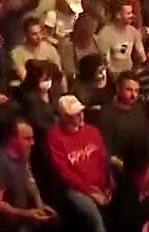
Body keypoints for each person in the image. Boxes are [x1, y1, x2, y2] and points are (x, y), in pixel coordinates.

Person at [0, 118, 58, 232]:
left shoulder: (23, 153)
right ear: (12, 139)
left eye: (32, 138)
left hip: (19, 217)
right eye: (27, 139)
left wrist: (40, 204)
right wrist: (26, 214)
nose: (32, 143)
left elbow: (28, 176)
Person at [45, 95, 111, 232]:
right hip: (75, 189)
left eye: (81, 112)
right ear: (64, 116)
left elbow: (103, 160)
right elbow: (64, 172)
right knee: (94, 218)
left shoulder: (93, 132)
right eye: (74, 114)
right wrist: (90, 191)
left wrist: (107, 185)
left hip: (98, 185)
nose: (80, 116)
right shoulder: (55, 136)